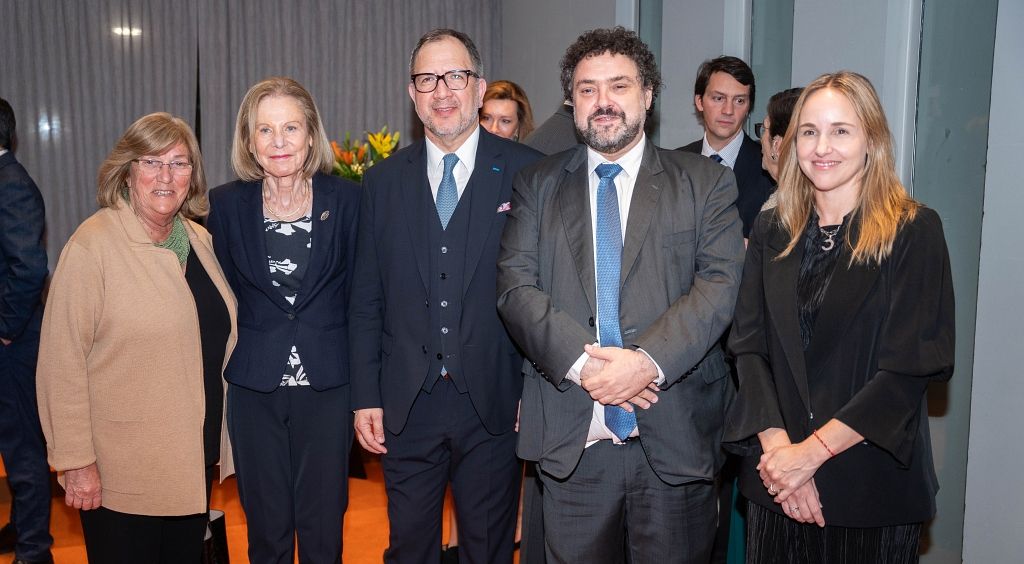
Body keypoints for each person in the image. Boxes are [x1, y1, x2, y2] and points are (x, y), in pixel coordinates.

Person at [496, 27, 745, 564]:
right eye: (587, 89)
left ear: (648, 95)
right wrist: (590, 371)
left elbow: (720, 286)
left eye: (619, 86)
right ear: (571, 101)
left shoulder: (705, 184)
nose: (603, 101)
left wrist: (645, 363)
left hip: (675, 439)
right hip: (575, 441)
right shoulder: (536, 184)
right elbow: (516, 287)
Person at [723, 71, 955, 564]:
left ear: (871, 139)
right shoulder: (772, 227)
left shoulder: (913, 230)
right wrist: (781, 457)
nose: (821, 147)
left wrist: (809, 457)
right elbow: (748, 347)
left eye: (840, 131)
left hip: (868, 485)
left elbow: (907, 370)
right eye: (809, 131)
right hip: (776, 486)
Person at [350, 28, 542, 564]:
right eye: (428, 79)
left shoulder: (528, 172)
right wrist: (366, 394)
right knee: (409, 549)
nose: (442, 91)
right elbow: (367, 297)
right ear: (412, 94)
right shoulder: (382, 182)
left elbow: (546, 293)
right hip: (407, 403)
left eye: (455, 76)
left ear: (479, 88)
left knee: (488, 548)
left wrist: (537, 386)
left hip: (497, 400)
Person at [35, 112, 237, 563]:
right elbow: (60, 363)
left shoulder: (199, 240)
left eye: (180, 163)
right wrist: (76, 462)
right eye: (151, 162)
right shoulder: (93, 246)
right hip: (120, 476)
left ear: (194, 174)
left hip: (190, 464)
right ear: (127, 172)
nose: (166, 176)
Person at [206, 76, 360, 563]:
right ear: (249, 141)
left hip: (329, 388)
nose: (278, 142)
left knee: (323, 528)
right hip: (256, 387)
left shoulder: (349, 200)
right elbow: (219, 292)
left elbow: (363, 296)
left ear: (311, 135)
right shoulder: (225, 205)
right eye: (265, 130)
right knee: (266, 529)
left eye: (290, 128)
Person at [0, 97, 52, 564]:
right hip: (12, 338)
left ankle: (35, 550)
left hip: (14, 343)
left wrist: (5, 328)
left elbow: (30, 267)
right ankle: (21, 529)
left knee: (23, 448)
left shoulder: (11, 184)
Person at [679, 56, 774, 239]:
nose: (728, 110)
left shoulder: (770, 169)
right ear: (699, 101)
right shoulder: (675, 163)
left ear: (749, 107)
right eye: (718, 98)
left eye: (739, 101)